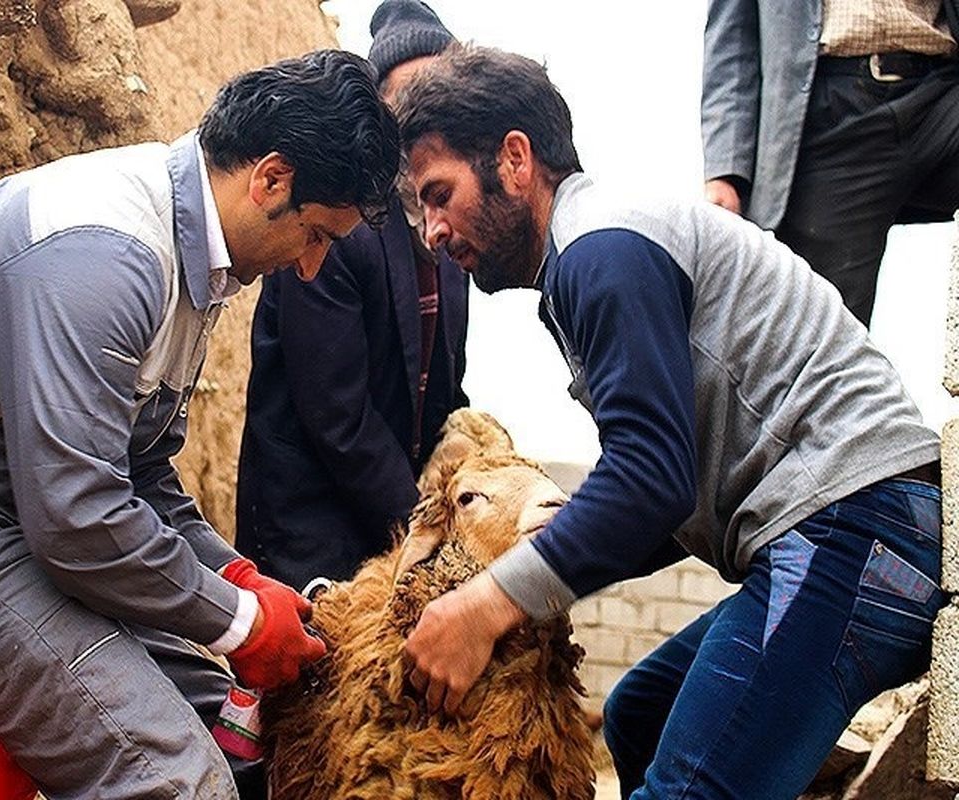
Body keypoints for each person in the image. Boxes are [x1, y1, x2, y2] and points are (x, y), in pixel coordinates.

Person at [0, 50, 400, 800]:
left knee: (236, 738)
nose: (312, 266)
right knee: (175, 779)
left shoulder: (196, 263)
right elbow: (78, 517)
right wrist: (240, 624)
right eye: (319, 234)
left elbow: (139, 473)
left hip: (26, 537)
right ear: (271, 179)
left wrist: (236, 577)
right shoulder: (107, 251)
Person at [394, 44, 947, 800]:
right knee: (641, 712)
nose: (430, 230)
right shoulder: (594, 256)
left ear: (515, 160)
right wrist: (529, 580)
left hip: (856, 532)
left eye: (437, 193)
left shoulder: (602, 251)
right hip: (848, 530)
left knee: (687, 789)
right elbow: (660, 499)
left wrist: (487, 605)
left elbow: (650, 481)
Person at [235, 0, 468, 591]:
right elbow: (338, 419)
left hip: (387, 528)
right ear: (383, 114)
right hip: (308, 535)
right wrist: (424, 529)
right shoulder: (333, 224)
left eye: (447, 91)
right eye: (414, 96)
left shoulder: (450, 229)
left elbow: (440, 390)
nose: (432, 113)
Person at [702, 0, 959, 326]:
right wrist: (726, 173)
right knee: (828, 330)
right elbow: (732, 42)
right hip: (833, 111)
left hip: (941, 89)